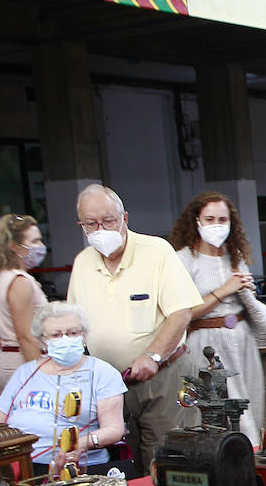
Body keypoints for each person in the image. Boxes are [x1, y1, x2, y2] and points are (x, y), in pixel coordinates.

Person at [66, 184, 202, 469]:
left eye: (109, 221)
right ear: (81, 224)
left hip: (161, 377)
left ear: (125, 218)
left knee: (165, 458)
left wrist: (153, 354)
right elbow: (75, 325)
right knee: (121, 463)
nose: (100, 229)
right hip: (109, 385)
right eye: (91, 223)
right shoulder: (82, 263)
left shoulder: (156, 252)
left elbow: (180, 312)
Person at [170, 191, 265, 447]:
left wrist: (247, 291)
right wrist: (224, 290)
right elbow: (184, 312)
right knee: (216, 408)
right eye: (210, 218)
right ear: (196, 221)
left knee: (249, 402)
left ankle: (252, 455)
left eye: (222, 219)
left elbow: (243, 295)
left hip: (241, 336)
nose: (217, 225)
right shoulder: (184, 259)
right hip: (206, 340)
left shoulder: (234, 255)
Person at [0, 302, 126, 476]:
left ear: (84, 336)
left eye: (73, 333)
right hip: (22, 466)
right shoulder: (25, 372)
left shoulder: (103, 373)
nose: (65, 339)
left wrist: (80, 443)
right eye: (56, 335)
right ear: (43, 341)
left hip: (78, 467)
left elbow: (115, 429)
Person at [0, 213, 48, 392]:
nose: (40, 247)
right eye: (34, 241)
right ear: (14, 246)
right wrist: (39, 376)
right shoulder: (19, 281)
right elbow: (25, 336)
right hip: (22, 361)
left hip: (8, 359)